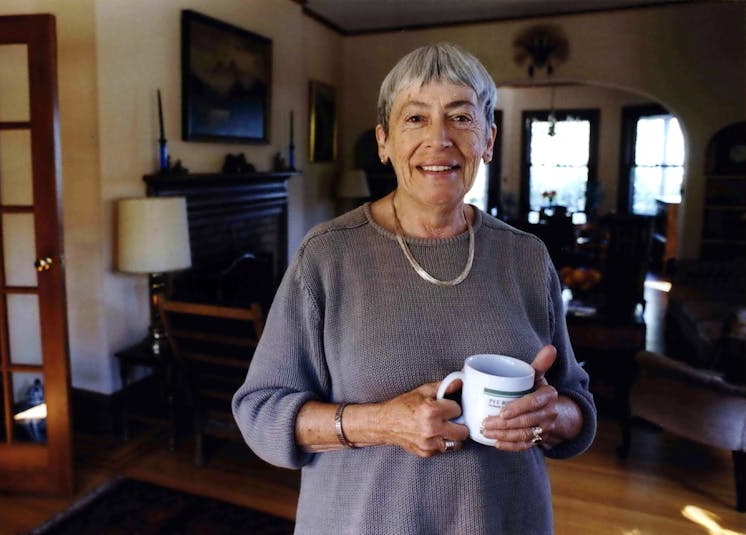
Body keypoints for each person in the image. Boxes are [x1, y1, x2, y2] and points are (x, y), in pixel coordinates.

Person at [232, 42, 596, 534]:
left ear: (488, 138)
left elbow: (577, 403)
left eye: (461, 118)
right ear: (384, 141)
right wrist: (382, 422)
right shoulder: (327, 255)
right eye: (415, 119)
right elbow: (260, 411)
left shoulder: (526, 257)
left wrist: (552, 416)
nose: (439, 139)